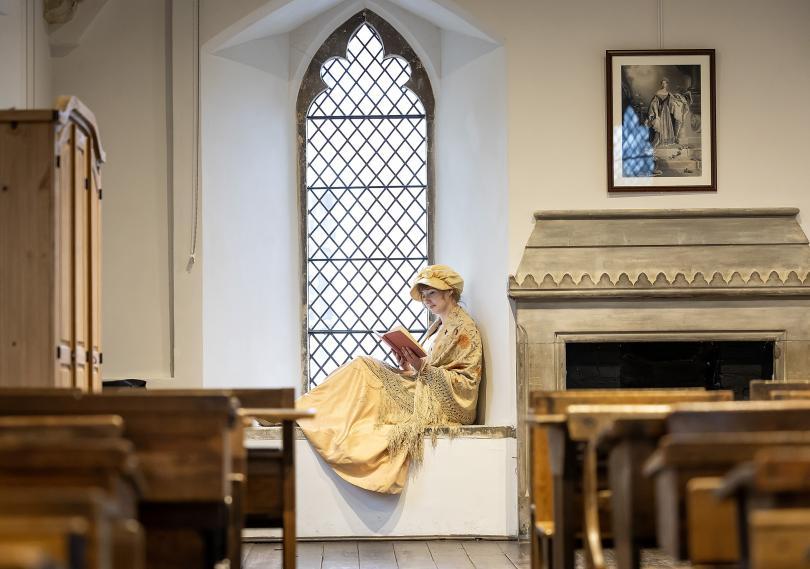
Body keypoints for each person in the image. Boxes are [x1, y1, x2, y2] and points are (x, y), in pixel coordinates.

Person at [295, 265, 483, 494]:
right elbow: (425, 371)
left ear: (450, 291)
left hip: (435, 403)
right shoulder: (438, 327)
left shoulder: (465, 328)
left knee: (363, 365)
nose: (426, 300)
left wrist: (421, 366)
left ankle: (305, 411)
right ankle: (309, 409)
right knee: (361, 366)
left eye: (432, 293)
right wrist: (407, 365)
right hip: (421, 388)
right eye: (423, 295)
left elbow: (466, 385)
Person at [647, 78, 691, 147]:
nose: (664, 84)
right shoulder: (658, 92)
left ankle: (667, 140)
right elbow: (654, 103)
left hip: (667, 110)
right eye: (662, 83)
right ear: (661, 84)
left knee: (667, 124)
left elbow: (675, 100)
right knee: (661, 124)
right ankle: (660, 140)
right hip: (660, 110)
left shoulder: (668, 93)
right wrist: (656, 114)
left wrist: (682, 101)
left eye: (665, 83)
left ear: (667, 84)